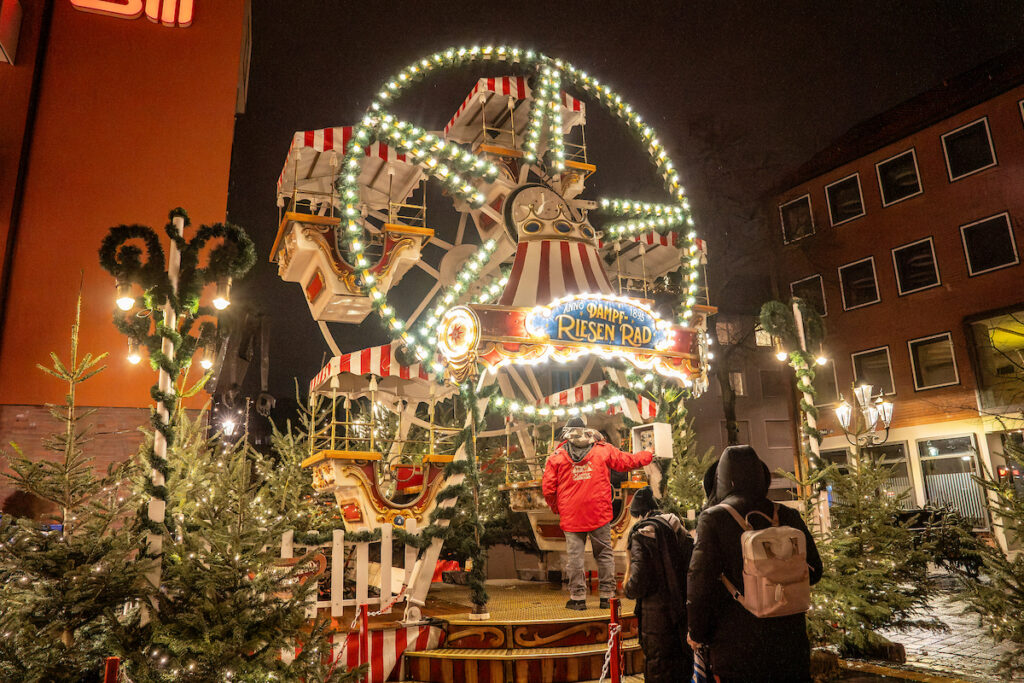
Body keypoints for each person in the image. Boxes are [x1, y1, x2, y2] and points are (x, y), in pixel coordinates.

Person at [686, 445, 823, 682]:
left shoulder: (714, 518)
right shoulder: (787, 515)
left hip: (737, 645)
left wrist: (697, 632)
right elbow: (816, 571)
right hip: (790, 642)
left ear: (722, 479)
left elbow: (700, 582)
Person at [542, 416, 653, 610]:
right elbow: (626, 461)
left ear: (567, 433)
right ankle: (607, 597)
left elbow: (548, 488)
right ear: (585, 430)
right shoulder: (602, 449)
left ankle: (578, 599)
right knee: (604, 555)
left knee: (574, 558)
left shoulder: (557, 456)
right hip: (598, 511)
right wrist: (648, 454)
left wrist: (556, 507)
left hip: (572, 514)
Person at [624, 486, 694, 683]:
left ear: (639, 514)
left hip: (656, 621)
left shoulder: (642, 536)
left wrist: (626, 585)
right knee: (681, 668)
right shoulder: (681, 533)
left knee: (658, 669)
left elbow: (636, 585)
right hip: (681, 614)